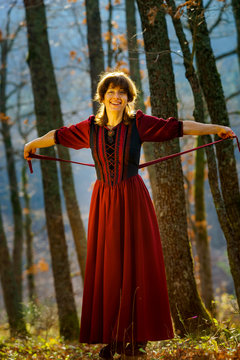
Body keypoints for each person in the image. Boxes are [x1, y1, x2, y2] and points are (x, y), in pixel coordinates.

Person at [24, 71, 235, 359]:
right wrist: (31, 145)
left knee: (136, 264)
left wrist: (216, 128)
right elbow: (57, 136)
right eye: (111, 91)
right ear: (102, 96)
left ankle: (137, 337)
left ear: (128, 98)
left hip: (132, 198)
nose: (116, 96)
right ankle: (112, 337)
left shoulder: (139, 124)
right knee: (109, 265)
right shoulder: (90, 128)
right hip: (104, 201)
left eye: (122, 93)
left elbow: (179, 127)